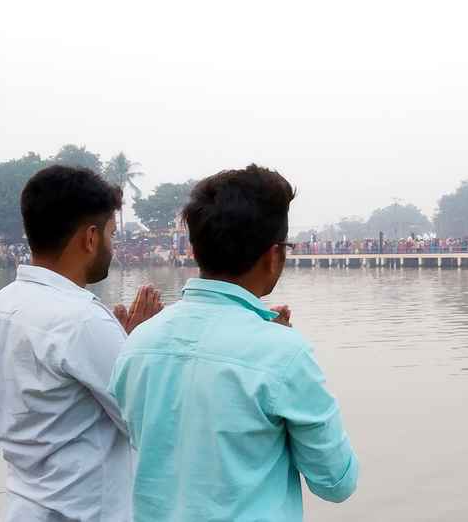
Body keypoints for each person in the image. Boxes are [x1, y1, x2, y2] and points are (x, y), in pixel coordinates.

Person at [110, 165, 358, 522]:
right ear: (274, 255)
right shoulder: (284, 354)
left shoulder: (138, 344)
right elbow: (336, 482)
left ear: (194, 249)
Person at [0, 165, 164, 522]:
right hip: (83, 511)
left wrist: (123, 344)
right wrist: (138, 346)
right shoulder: (82, 320)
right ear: (90, 238)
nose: (113, 246)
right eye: (111, 234)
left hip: (23, 505)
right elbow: (146, 422)